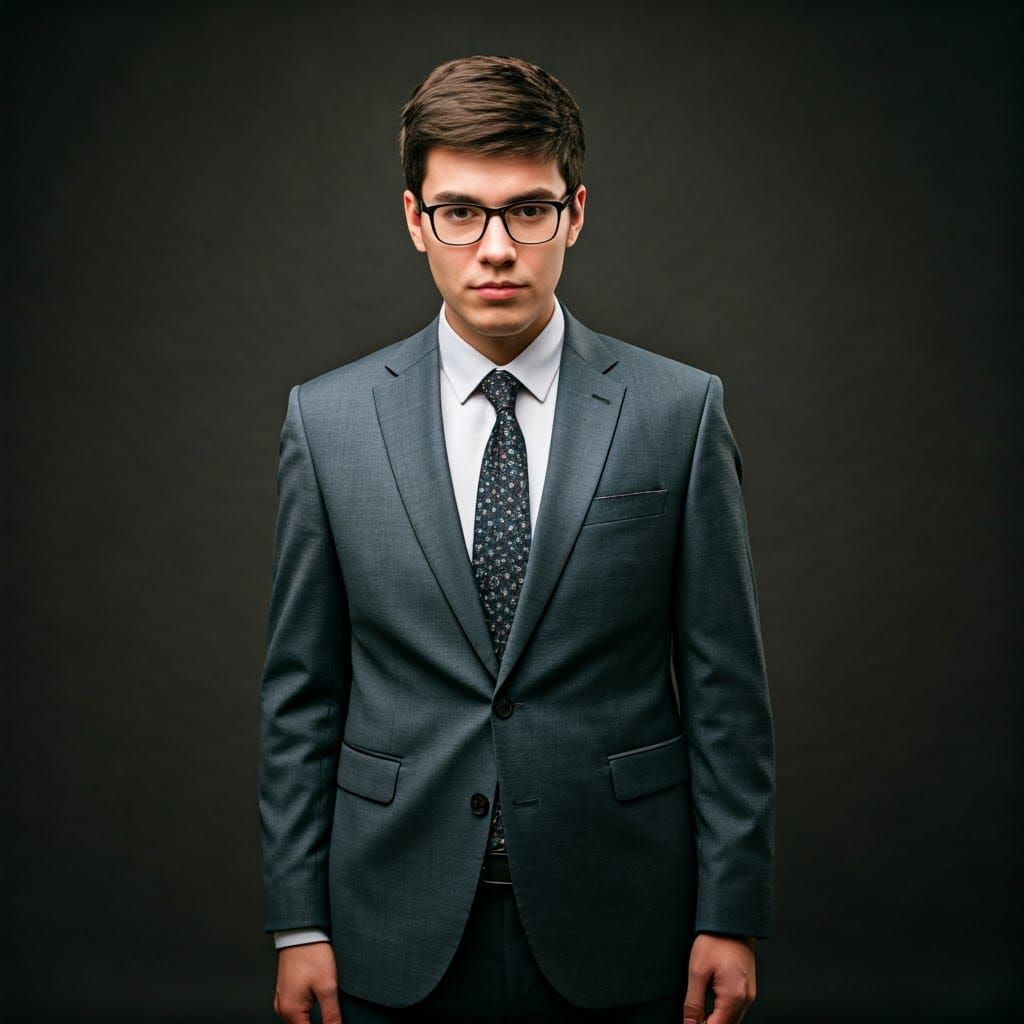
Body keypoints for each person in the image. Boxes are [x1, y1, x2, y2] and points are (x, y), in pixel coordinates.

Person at [259, 54, 775, 1024]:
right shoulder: (325, 422)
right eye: (461, 211)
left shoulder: (679, 412)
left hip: (623, 915)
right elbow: (300, 692)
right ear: (415, 221)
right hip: (389, 918)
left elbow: (725, 689)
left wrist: (731, 910)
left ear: (574, 212)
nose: (495, 247)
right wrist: (297, 922)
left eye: (526, 210)